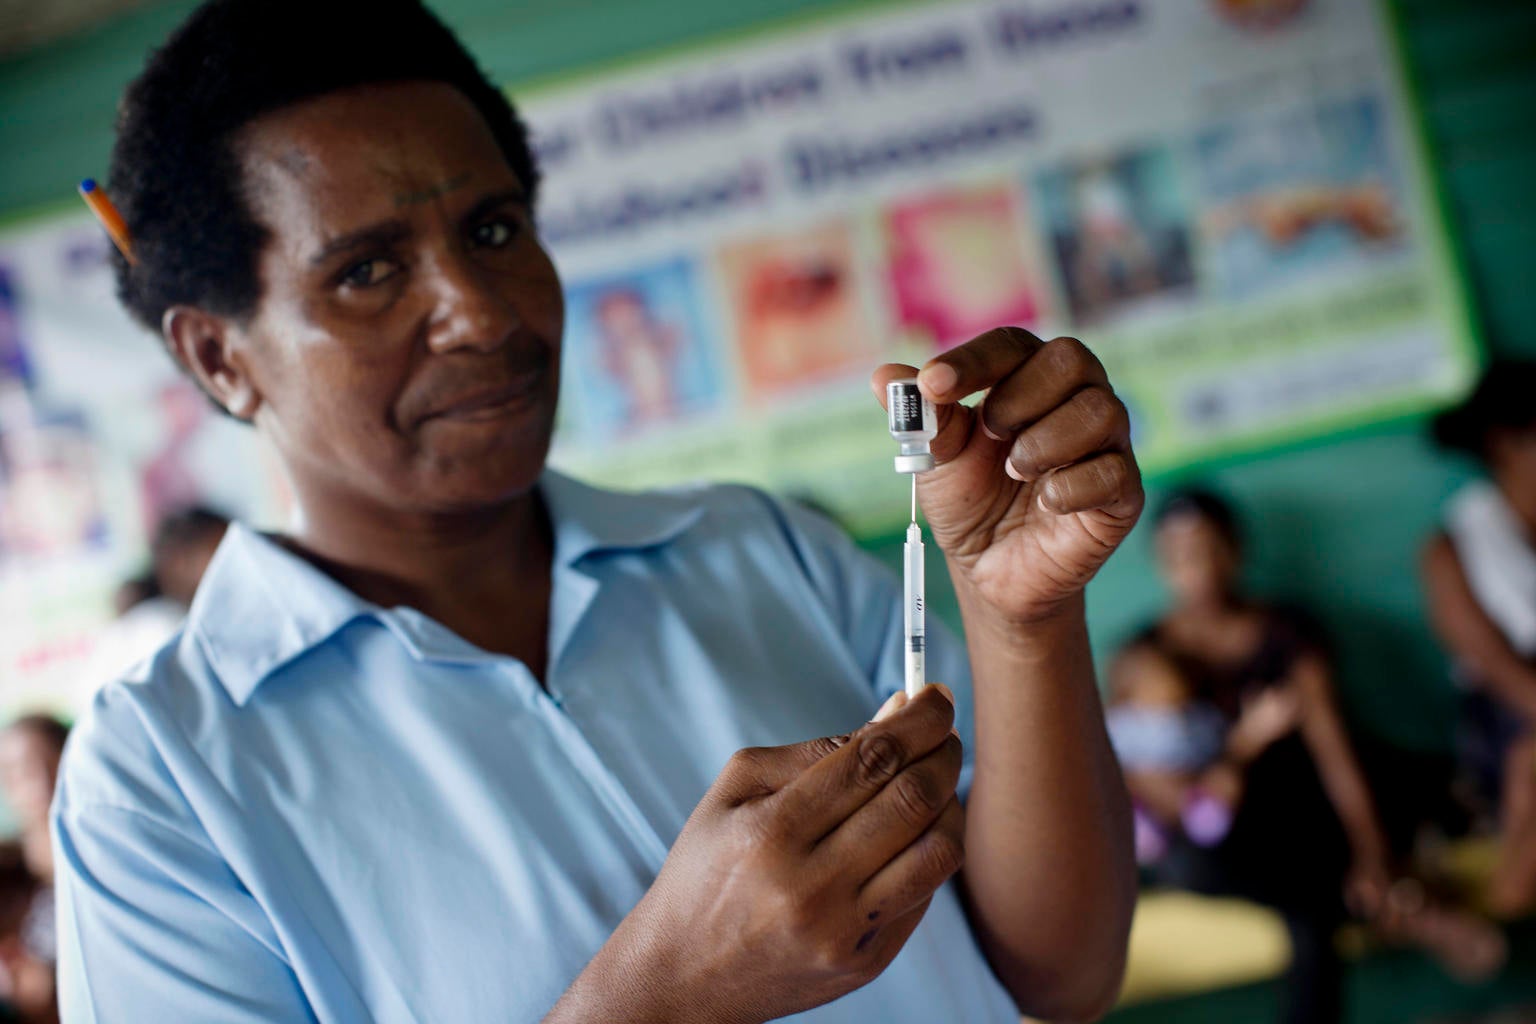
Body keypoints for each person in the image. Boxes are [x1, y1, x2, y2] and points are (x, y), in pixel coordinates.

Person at [52, 2, 1144, 1021]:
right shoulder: (162, 784)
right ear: (218, 355)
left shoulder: (758, 553)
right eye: (369, 271)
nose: (478, 314)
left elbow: (1062, 975)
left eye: (492, 232)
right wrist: (666, 992)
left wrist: (1022, 623)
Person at [1113, 489, 1504, 1024]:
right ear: (1161, 563)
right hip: (1231, 832)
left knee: (1314, 892)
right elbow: (1144, 778)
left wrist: (1371, 852)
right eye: (1180, 553)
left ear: (1236, 552)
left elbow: (1333, 748)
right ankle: (1401, 907)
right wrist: (1236, 758)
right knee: (1205, 859)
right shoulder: (1144, 656)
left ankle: (1381, 894)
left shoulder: (1285, 632)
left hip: (1306, 808)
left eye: (1209, 549)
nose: (1197, 567)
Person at [1422, 359, 1536, 915]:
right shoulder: (1453, 546)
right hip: (1506, 718)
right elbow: (1493, 664)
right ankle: (1511, 895)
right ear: (1505, 445)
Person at [0, 715, 68, 1024]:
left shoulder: (110, 856)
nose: (38, 780)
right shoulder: (8, 872)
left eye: (50, 761)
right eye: (20, 770)